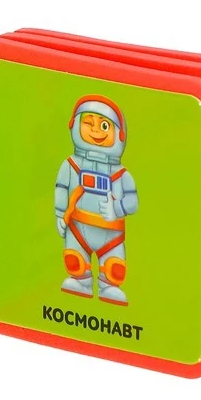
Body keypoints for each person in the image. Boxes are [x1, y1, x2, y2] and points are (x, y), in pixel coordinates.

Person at [55, 95, 138, 305]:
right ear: (75, 125)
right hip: (77, 228)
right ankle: (80, 281)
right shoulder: (71, 165)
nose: (95, 131)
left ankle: (109, 286)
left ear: (119, 134)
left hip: (111, 235)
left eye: (104, 125)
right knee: (75, 261)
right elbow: (61, 189)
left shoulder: (121, 174)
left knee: (113, 268)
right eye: (88, 123)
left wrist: (116, 209)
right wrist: (60, 214)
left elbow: (132, 202)